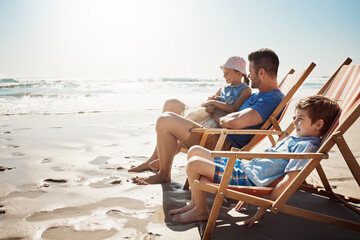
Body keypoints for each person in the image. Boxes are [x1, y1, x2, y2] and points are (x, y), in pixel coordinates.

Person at [170, 95, 341, 226]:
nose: (294, 121)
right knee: (194, 150)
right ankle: (195, 203)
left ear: (318, 125)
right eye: (295, 117)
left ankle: (201, 211)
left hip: (249, 179)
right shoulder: (296, 138)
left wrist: (263, 205)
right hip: (245, 167)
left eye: (300, 118)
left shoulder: (306, 148)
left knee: (194, 164)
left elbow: (289, 180)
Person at [131, 48, 285, 185]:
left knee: (165, 120)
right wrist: (217, 103)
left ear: (262, 72)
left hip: (221, 139)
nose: (249, 75)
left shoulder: (270, 99)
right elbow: (233, 111)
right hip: (216, 130)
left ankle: (163, 175)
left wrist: (216, 112)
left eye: (250, 72)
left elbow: (232, 123)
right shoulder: (259, 95)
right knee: (171, 104)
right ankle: (153, 159)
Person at [129, 56, 252, 172]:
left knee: (177, 125)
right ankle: (154, 158)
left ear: (239, 73)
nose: (224, 75)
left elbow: (234, 109)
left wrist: (214, 102)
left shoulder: (246, 90)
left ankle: (163, 161)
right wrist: (212, 99)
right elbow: (211, 102)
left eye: (227, 72)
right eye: (223, 72)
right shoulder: (223, 88)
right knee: (170, 104)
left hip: (216, 123)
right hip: (208, 114)